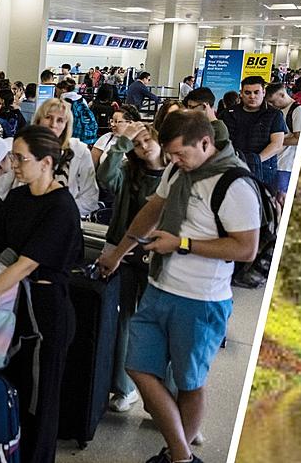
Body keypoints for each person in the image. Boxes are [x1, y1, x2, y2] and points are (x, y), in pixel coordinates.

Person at [97, 110, 260, 463]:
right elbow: (152, 211)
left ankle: (176, 456)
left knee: (189, 383)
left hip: (201, 301)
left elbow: (246, 248)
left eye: (180, 154)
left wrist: (182, 244)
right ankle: (182, 455)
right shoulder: (177, 170)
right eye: (170, 155)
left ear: (205, 143)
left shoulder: (234, 185)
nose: (173, 161)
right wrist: (119, 252)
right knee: (138, 366)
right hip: (160, 286)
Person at [0, 125, 81, 463]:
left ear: (46, 162)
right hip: (15, 311)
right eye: (12, 156)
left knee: (40, 403)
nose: (12, 163)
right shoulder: (18, 196)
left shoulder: (61, 208)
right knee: (16, 390)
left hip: (47, 314)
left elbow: (25, 265)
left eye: (19, 158)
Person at [95, 121, 165, 412]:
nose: (143, 147)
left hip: (158, 255)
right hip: (122, 254)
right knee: (124, 319)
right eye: (138, 144)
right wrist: (122, 142)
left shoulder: (175, 176)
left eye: (148, 140)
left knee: (157, 324)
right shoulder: (128, 171)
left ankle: (161, 396)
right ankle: (124, 388)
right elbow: (105, 177)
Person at [25, 98, 99, 217]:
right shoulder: (24, 148)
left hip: (63, 220)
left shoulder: (79, 152)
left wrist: (58, 213)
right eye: (48, 117)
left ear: (66, 125)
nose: (53, 125)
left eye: (60, 120)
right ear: (38, 120)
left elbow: (90, 198)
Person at [221, 76, 285, 191]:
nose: (252, 96)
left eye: (256, 92)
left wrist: (255, 161)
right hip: (232, 167)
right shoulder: (228, 114)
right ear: (241, 93)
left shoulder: (274, 114)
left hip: (263, 170)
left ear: (263, 92)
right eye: (247, 93)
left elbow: (277, 144)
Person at [266, 83, 301, 200]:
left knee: (281, 197)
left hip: (287, 164)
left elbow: (299, 139)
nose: (272, 105)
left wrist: (276, 141)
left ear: (282, 95)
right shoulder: (280, 111)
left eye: (273, 102)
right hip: (276, 162)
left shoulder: (299, 111)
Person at [59, 78, 98, 146]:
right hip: (85, 134)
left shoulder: (64, 101)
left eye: (56, 91)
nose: (56, 93)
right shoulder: (82, 99)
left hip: (72, 133)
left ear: (63, 90)